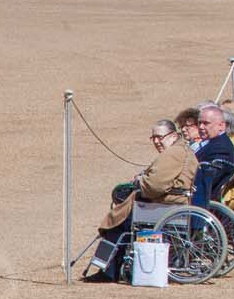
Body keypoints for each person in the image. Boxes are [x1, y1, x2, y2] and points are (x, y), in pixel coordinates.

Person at [83, 119, 196, 280]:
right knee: (119, 214)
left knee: (116, 223)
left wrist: (139, 181)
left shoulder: (173, 153)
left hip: (164, 204)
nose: (156, 141)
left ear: (173, 136)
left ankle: (108, 271)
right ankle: (109, 268)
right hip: (169, 201)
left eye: (159, 137)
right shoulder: (179, 150)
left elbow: (155, 186)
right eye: (153, 138)